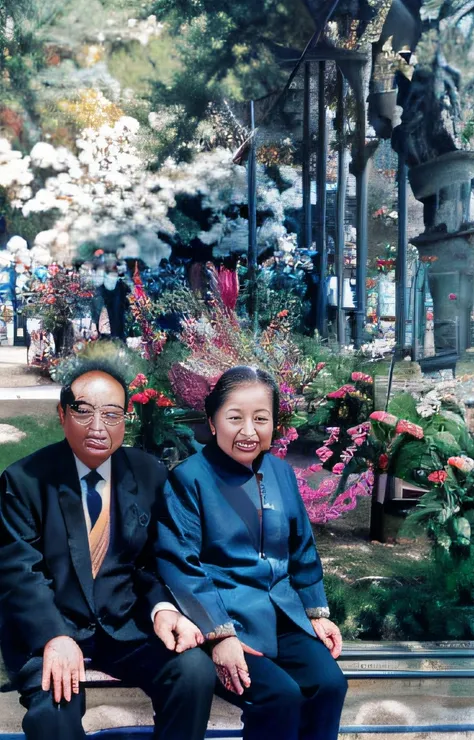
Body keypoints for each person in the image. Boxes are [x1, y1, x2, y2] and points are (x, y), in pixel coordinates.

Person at [0, 359, 216, 740]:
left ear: (125, 420)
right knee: (53, 714)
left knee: (194, 671)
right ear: (62, 414)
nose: (98, 427)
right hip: (53, 627)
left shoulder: (148, 473)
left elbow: (154, 561)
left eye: (112, 414)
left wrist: (164, 609)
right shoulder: (24, 482)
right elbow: (20, 572)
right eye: (84, 411)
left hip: (126, 626)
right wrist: (53, 635)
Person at [155, 365, 347, 740]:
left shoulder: (281, 473)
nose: (248, 431)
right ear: (212, 422)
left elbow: (301, 549)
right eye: (234, 418)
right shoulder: (189, 478)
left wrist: (316, 612)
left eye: (261, 418)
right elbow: (180, 563)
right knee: (281, 697)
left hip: (282, 615)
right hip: (226, 620)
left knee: (330, 686)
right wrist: (218, 634)